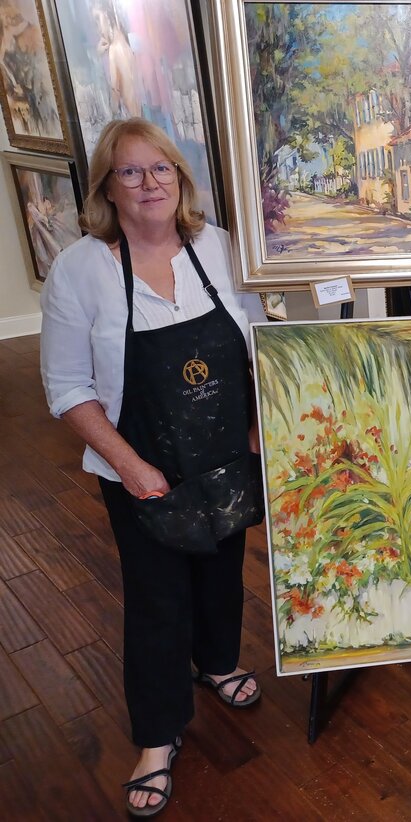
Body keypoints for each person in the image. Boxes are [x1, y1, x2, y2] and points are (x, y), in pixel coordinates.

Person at [40, 118, 267, 817]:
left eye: (161, 168)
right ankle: (158, 737)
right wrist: (131, 466)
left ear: (181, 176)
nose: (149, 184)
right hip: (141, 465)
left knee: (223, 571)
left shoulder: (219, 247)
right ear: (107, 186)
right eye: (131, 172)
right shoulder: (82, 269)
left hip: (227, 453)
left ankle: (219, 663)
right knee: (158, 597)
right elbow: (68, 389)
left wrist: (258, 431)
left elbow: (259, 343)